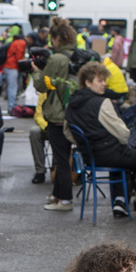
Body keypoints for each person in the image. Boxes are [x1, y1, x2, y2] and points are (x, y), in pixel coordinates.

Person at [65, 61, 136, 218]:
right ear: (88, 82)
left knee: (122, 158)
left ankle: (120, 201)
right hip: (108, 154)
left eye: (104, 80)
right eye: (100, 80)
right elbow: (123, 133)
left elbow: (68, 132)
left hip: (88, 158)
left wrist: (84, 143)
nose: (104, 84)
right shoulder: (102, 103)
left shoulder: (71, 103)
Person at [34, 18, 79, 212]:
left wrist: (36, 71)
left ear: (58, 38)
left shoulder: (57, 59)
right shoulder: (76, 56)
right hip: (72, 113)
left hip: (58, 115)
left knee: (60, 159)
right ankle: (57, 195)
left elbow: (41, 85)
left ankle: (65, 200)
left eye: (52, 39)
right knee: (63, 157)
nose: (51, 43)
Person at [1, 25, 28, 112]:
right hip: (12, 66)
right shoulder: (21, 42)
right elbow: (19, 57)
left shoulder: (12, 40)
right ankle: (12, 107)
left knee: (11, 86)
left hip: (9, 65)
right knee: (13, 87)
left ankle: (12, 105)